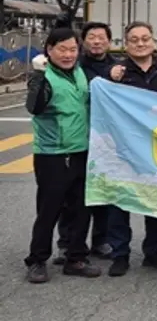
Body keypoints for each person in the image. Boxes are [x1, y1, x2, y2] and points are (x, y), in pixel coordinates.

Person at [23, 24, 102, 283]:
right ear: (49, 50)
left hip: (81, 151)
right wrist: (38, 76)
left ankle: (76, 257)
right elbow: (34, 107)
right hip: (53, 154)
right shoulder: (44, 76)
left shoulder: (79, 72)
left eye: (72, 49)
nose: (68, 55)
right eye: (62, 49)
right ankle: (37, 260)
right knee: (50, 209)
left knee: (81, 209)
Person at [105, 22, 157, 277]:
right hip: (123, 147)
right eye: (134, 39)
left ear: (154, 42)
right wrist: (109, 79)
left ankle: (154, 251)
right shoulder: (116, 73)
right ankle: (119, 254)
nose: (140, 43)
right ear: (126, 44)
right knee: (120, 203)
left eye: (145, 38)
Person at [51, 21, 116, 266]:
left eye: (101, 37)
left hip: (106, 141)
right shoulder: (73, 66)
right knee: (70, 196)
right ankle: (66, 243)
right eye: (91, 37)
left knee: (103, 193)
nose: (97, 41)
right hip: (76, 141)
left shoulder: (119, 68)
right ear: (83, 42)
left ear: (109, 41)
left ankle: (101, 240)